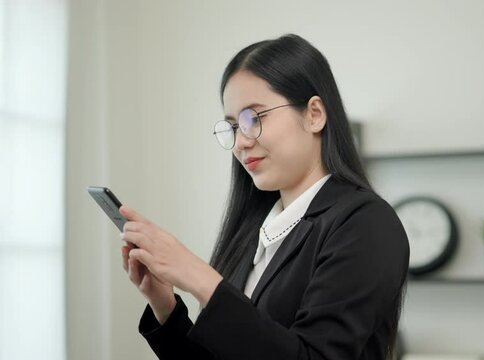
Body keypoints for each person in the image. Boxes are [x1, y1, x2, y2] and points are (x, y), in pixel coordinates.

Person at [119, 34, 409, 360]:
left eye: (253, 118)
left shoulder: (365, 223)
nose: (241, 142)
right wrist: (165, 306)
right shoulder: (255, 230)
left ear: (314, 114)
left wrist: (199, 277)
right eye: (232, 126)